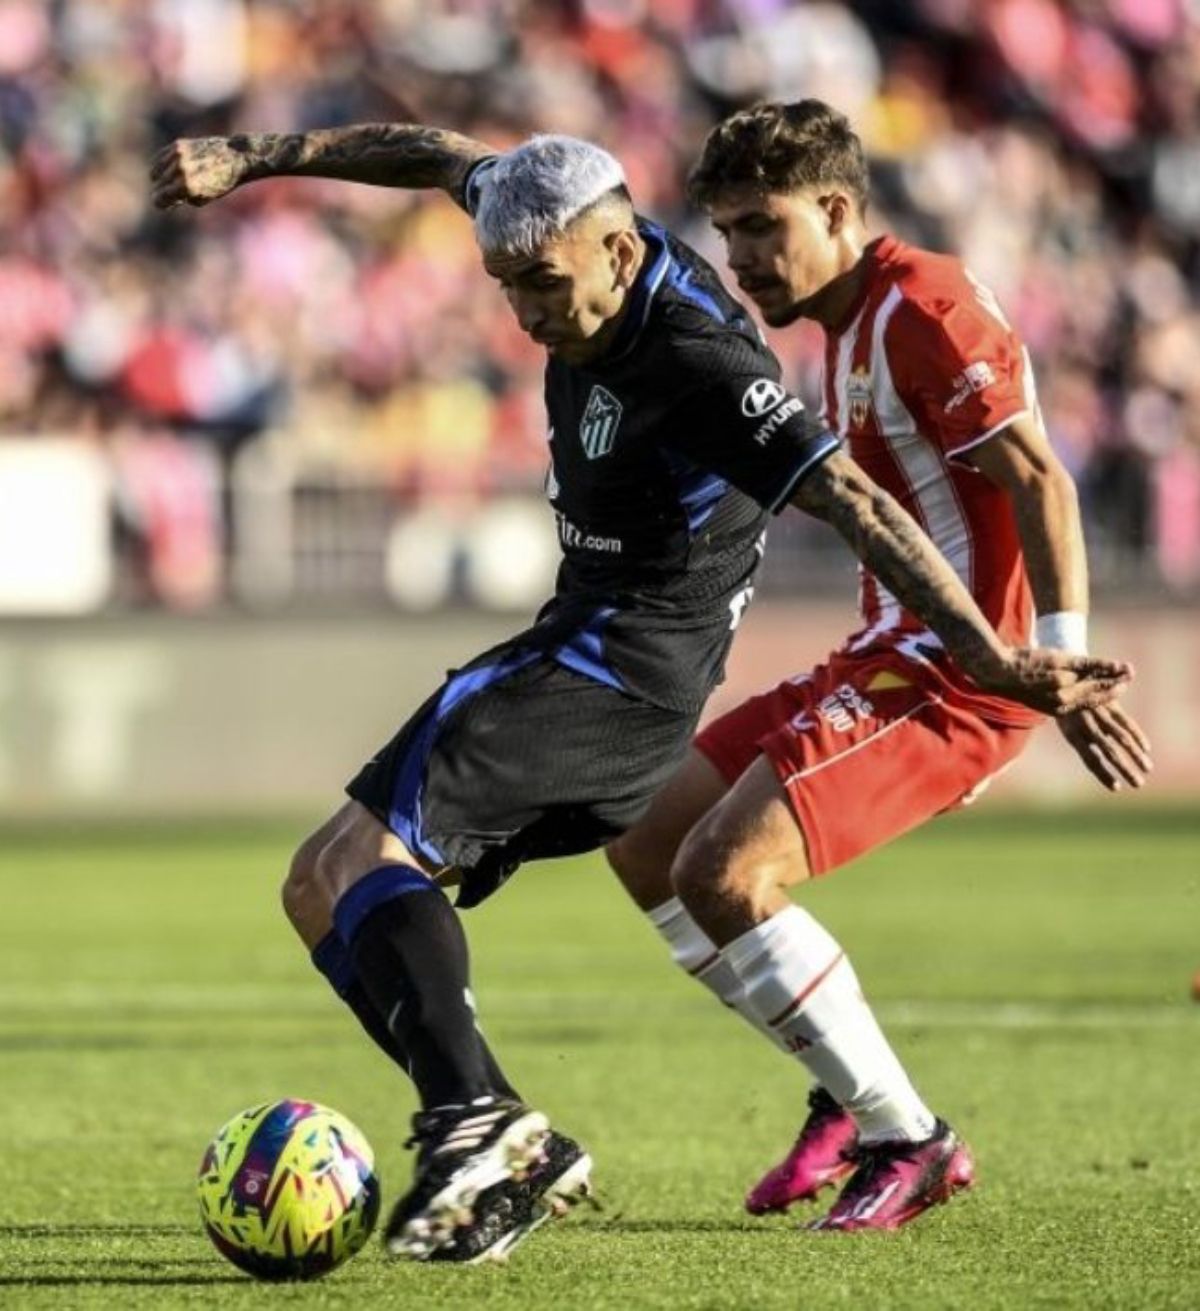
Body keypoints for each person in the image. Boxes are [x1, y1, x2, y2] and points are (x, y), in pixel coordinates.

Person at [150, 122, 1132, 1263]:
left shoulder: (703, 363)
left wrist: (1003, 656)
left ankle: (488, 1122)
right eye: (506, 284)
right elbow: (435, 152)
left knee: (383, 860)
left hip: (617, 670)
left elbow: (858, 503)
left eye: (543, 284)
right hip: (581, 644)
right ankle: (519, 1134)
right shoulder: (572, 220)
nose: (525, 313)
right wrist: (255, 157)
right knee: (317, 886)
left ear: (617, 253)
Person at [606, 99, 1153, 1234]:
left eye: (763, 227)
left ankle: (913, 1139)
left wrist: (1050, 665)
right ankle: (847, 1095)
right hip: (887, 651)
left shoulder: (926, 311)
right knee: (646, 836)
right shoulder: (851, 317)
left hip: (964, 678)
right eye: (728, 232)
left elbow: (1039, 479)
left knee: (726, 872)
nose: (745, 258)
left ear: (839, 210)